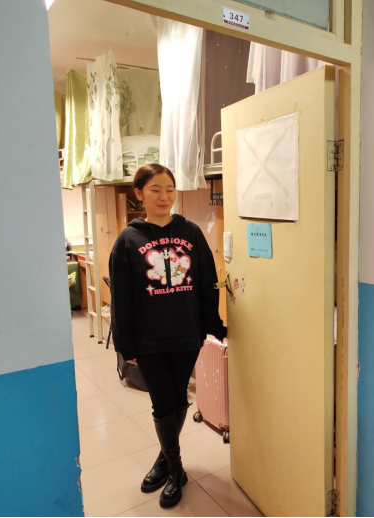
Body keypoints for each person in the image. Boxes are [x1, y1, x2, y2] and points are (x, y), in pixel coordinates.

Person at [109, 164, 226, 509]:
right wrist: (125, 344)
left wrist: (213, 324)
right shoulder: (127, 240)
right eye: (155, 189)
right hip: (149, 339)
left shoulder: (191, 232)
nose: (164, 197)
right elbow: (121, 298)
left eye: (170, 190)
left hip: (187, 334)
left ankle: (165, 459)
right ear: (139, 193)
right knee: (162, 404)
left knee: (177, 400)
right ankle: (177, 472)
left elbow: (206, 284)